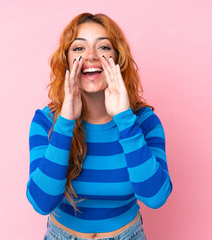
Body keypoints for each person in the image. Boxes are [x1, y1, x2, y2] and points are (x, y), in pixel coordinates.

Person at [26, 12, 173, 240]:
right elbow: (42, 202)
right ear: (65, 61)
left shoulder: (143, 122)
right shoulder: (47, 122)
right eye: (78, 48)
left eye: (103, 47)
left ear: (118, 59)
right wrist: (65, 122)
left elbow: (155, 197)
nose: (91, 56)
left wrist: (125, 119)